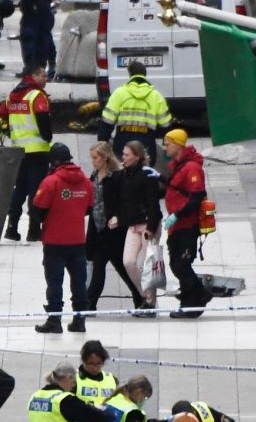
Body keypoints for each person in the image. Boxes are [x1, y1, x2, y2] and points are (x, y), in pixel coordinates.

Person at [31, 142, 93, 334]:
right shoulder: (85, 181)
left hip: (54, 241)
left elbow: (37, 210)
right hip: (77, 241)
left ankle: (54, 320)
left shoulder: (51, 182)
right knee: (79, 282)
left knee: (55, 282)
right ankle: (79, 320)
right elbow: (88, 208)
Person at [0, 60, 52, 242]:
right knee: (36, 190)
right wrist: (48, 137)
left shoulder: (13, 95)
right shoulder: (36, 96)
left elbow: (0, 115)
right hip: (37, 150)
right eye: (43, 74)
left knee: (19, 189)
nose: (46, 77)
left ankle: (12, 227)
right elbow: (43, 120)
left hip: (18, 150)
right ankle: (34, 230)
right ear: (33, 76)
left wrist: (9, 132)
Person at [161, 128, 211, 318]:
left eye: (167, 144)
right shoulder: (179, 166)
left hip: (187, 225)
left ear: (177, 144)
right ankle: (193, 296)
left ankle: (194, 301)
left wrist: (177, 214)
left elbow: (196, 195)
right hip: (178, 225)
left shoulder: (191, 168)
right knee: (176, 263)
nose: (165, 148)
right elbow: (176, 187)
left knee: (181, 264)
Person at [116, 140, 163, 314]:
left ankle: (150, 303)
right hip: (133, 224)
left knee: (145, 265)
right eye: (123, 154)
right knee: (128, 262)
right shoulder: (124, 175)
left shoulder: (146, 176)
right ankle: (145, 296)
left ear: (137, 157)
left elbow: (153, 205)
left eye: (127, 155)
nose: (123, 157)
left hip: (147, 225)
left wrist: (151, 228)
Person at [86, 141, 131, 314]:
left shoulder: (117, 176)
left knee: (114, 266)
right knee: (102, 265)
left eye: (95, 157)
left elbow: (124, 201)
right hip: (97, 228)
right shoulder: (94, 175)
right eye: (92, 157)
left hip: (113, 230)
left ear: (105, 158)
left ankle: (90, 303)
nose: (93, 161)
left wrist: (118, 217)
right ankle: (90, 303)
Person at [97, 61, 172, 162]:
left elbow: (106, 123)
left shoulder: (119, 93)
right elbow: (166, 128)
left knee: (122, 175)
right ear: (145, 75)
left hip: (122, 148)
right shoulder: (156, 96)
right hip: (146, 148)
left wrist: (104, 143)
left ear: (130, 74)